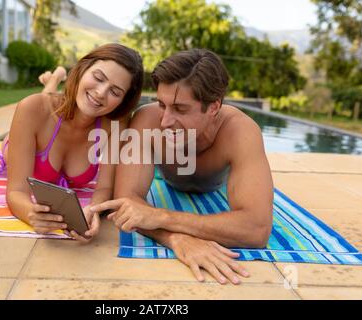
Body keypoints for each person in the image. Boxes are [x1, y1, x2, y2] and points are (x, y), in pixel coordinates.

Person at [91, 49, 274, 284]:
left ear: (214, 107)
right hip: (164, 177)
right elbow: (127, 202)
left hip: (214, 187)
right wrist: (176, 239)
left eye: (180, 109)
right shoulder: (147, 120)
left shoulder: (240, 132)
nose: (165, 121)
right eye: (161, 104)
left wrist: (161, 217)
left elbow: (256, 229)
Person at [0, 43, 143, 242]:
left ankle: (53, 80)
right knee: (44, 102)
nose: (101, 92)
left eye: (116, 92)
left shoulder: (115, 124)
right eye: (98, 78)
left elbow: (103, 188)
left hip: (54, 116)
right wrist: (32, 214)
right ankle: (55, 80)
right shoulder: (30, 109)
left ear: (123, 101)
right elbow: (16, 191)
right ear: (82, 70)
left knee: (50, 103)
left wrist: (92, 211)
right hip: (23, 137)